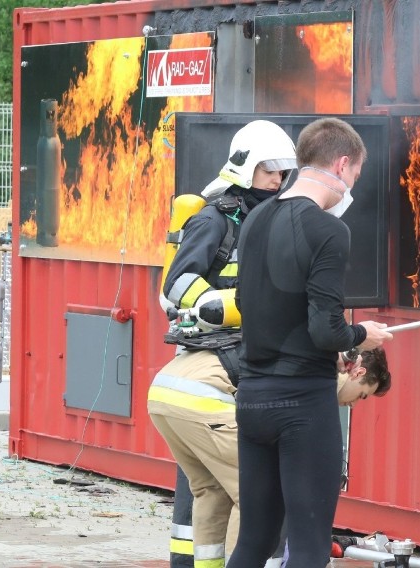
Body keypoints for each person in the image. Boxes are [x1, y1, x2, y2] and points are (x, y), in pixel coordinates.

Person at [227, 117, 393, 568]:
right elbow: (327, 328)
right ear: (342, 165)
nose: (352, 185)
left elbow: (250, 302)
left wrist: (332, 345)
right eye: (355, 175)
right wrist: (362, 336)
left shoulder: (256, 218)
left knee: (254, 541)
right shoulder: (329, 230)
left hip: (253, 398)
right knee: (308, 545)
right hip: (302, 405)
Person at [148, 120, 298, 568]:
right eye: (270, 168)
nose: (278, 177)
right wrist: (230, 304)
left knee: (211, 488)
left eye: (284, 169)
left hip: (240, 363)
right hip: (204, 362)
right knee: (216, 488)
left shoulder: (266, 216)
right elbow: (176, 286)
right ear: (245, 165)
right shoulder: (215, 218)